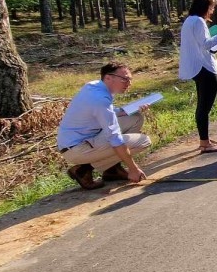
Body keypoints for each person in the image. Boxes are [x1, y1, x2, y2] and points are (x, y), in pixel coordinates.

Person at [57, 61, 151, 190]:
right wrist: (133, 169)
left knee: (134, 118)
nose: (129, 83)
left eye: (130, 79)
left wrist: (127, 110)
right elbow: (115, 138)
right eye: (124, 79)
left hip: (83, 139)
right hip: (77, 149)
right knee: (144, 141)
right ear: (108, 78)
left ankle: (112, 170)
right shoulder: (100, 99)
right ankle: (83, 170)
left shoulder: (94, 86)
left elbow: (106, 114)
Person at [179, 0, 217, 153]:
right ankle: (204, 143)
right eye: (211, 8)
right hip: (204, 67)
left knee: (202, 105)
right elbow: (206, 44)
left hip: (196, 66)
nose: (211, 11)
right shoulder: (199, 22)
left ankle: (205, 138)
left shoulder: (189, 21)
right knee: (204, 106)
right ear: (205, 7)